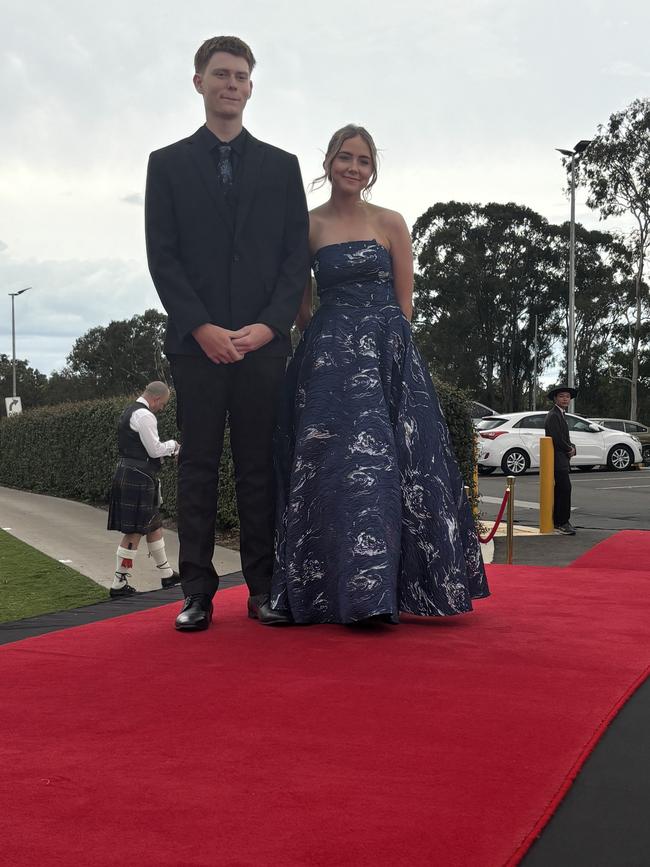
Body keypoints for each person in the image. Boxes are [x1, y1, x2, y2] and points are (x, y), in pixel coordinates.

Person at [271, 125, 489, 624]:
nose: (353, 167)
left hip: (387, 355)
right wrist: (328, 342)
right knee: (326, 467)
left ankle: (381, 596)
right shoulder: (306, 226)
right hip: (328, 360)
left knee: (394, 469)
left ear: (372, 170)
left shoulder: (390, 222)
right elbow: (302, 304)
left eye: (363, 160)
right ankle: (325, 591)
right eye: (345, 157)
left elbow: (405, 301)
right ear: (328, 162)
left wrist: (385, 351)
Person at [145, 36, 310, 631]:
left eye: (241, 76)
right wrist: (201, 326)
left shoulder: (281, 167)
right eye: (221, 74)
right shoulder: (165, 165)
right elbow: (162, 259)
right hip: (197, 346)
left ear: (250, 87)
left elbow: (295, 260)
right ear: (199, 83)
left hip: (264, 346)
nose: (231, 84)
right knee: (197, 471)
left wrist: (269, 326)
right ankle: (197, 592)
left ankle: (263, 588)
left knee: (260, 469)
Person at [107, 381, 180, 596]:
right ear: (156, 398)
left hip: (132, 473)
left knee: (153, 525)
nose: (162, 408)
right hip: (138, 476)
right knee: (134, 531)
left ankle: (167, 574)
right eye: (163, 404)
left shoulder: (130, 410)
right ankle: (118, 583)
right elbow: (155, 449)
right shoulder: (145, 415)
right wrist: (174, 446)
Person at [544, 385, 577, 535]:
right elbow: (557, 438)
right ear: (555, 399)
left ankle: (560, 521)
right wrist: (569, 448)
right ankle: (562, 522)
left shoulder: (560, 414)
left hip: (561, 458)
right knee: (564, 489)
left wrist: (571, 446)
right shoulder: (554, 415)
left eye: (567, 397)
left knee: (562, 489)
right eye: (562, 396)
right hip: (557, 459)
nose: (565, 399)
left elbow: (564, 437)